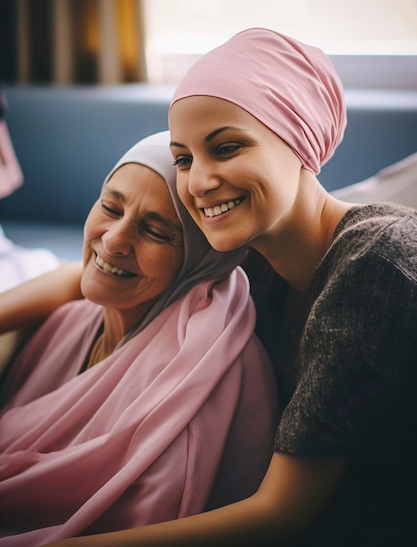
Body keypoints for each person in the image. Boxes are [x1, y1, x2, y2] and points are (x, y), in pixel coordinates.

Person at [5, 28, 417, 547]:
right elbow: (85, 273)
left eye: (226, 148)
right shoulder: (251, 249)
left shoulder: (374, 260)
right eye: (183, 158)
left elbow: (281, 514)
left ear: (300, 142)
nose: (198, 182)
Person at [0, 131, 278, 546]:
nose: (113, 241)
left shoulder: (195, 389)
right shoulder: (73, 321)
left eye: (155, 232)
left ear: (200, 259)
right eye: (110, 207)